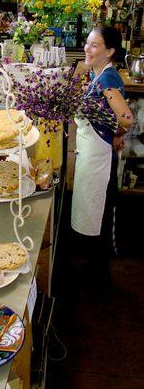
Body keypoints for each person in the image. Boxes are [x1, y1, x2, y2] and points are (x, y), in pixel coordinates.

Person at [71, 26, 133, 297]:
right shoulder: (100, 75)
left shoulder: (108, 81)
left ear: (109, 51)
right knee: (95, 215)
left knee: (101, 216)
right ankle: (96, 272)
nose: (87, 49)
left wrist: (116, 133)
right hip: (92, 156)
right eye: (87, 43)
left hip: (99, 161)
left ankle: (102, 281)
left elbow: (127, 119)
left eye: (94, 46)